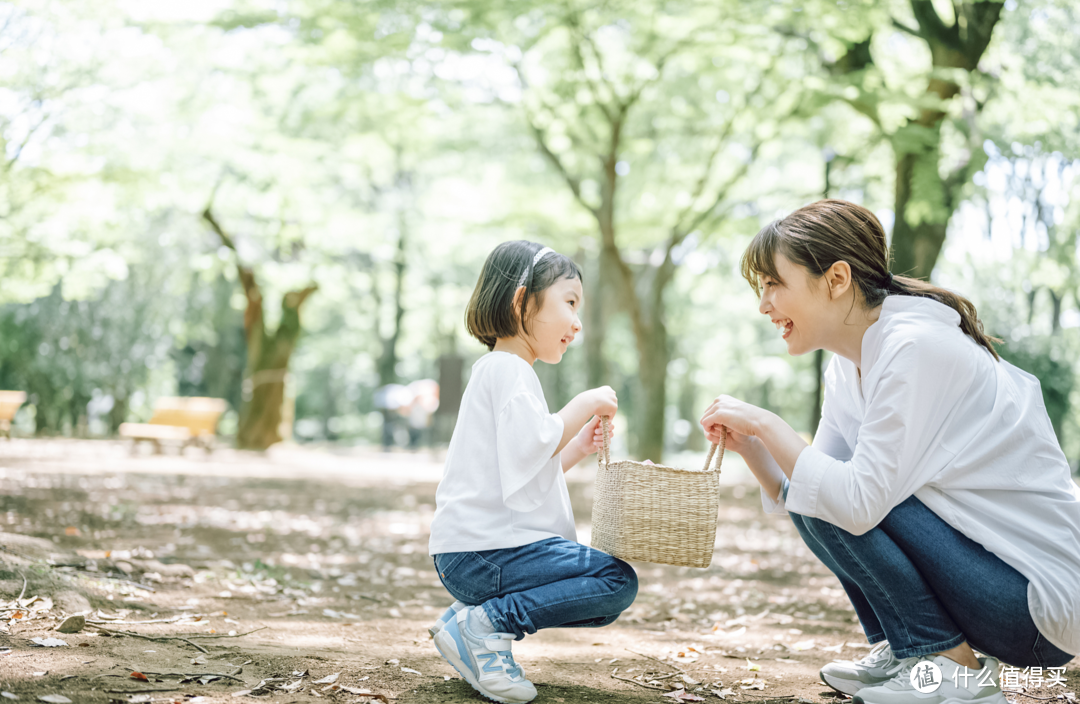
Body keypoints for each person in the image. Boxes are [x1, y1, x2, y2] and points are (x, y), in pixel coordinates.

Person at [699, 200, 1079, 704]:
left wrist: (768, 424)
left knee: (840, 490)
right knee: (823, 486)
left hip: (1033, 603)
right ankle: (908, 652)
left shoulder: (914, 347)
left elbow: (852, 503)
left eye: (774, 284)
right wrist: (753, 446)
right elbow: (810, 493)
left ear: (836, 278)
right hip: (989, 579)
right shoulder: (849, 362)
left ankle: (951, 668)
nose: (764, 304)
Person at [428, 241, 638, 704]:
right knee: (615, 581)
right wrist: (584, 403)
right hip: (484, 554)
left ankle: (464, 619)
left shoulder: (501, 370)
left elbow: (519, 473)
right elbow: (531, 451)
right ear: (522, 301)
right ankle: (486, 623)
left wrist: (577, 446)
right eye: (569, 302)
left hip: (472, 553)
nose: (577, 322)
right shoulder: (509, 371)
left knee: (601, 596)